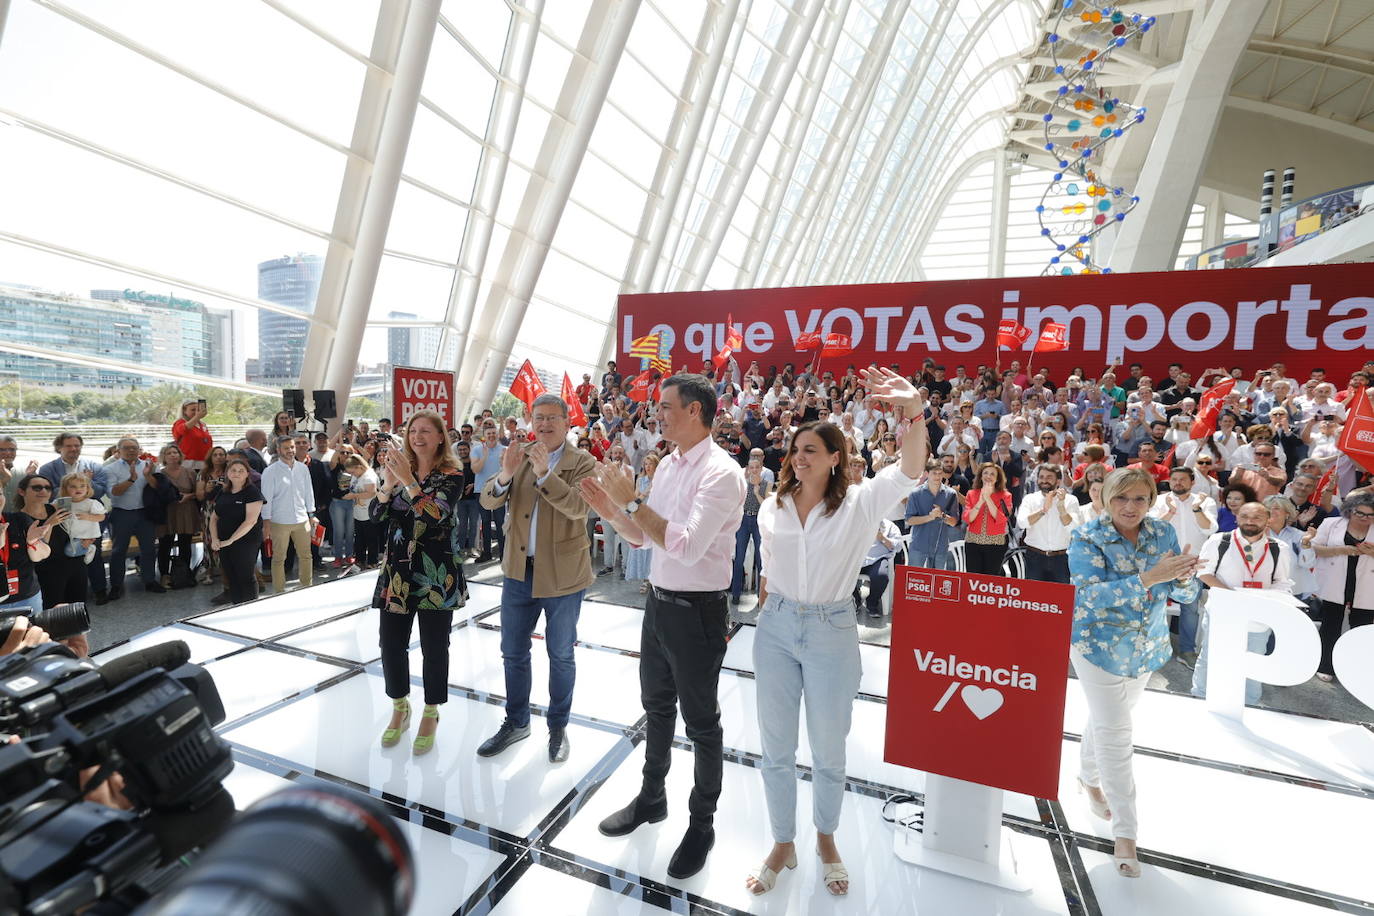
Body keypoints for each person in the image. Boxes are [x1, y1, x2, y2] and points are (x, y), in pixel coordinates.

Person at [737, 368, 925, 897]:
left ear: (836, 456)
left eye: (813, 449)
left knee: (828, 749)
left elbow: (911, 468)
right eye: (796, 449)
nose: (800, 457)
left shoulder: (861, 502)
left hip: (831, 629)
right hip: (775, 627)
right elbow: (769, 569)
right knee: (775, 747)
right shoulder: (773, 505)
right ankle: (782, 841)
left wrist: (913, 411)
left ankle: (825, 837)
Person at [579, 373, 745, 881]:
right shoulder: (671, 464)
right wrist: (611, 508)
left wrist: (631, 502)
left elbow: (689, 545)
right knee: (655, 708)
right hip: (659, 604)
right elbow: (648, 538)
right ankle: (652, 798)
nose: (658, 414)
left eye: (666, 406)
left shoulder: (722, 472)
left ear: (695, 411)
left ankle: (702, 824)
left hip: (698, 612)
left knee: (701, 725)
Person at [1068, 467, 1200, 879]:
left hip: (1147, 647)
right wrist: (1147, 578)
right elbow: (1087, 598)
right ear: (1106, 498)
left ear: (1151, 500)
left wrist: (1184, 577)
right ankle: (1126, 832)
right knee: (1116, 732)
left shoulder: (1163, 534)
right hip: (1096, 648)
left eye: (1140, 499)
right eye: (1122, 498)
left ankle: (1088, 778)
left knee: (1108, 719)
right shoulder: (1087, 536)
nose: (1130, 507)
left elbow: (1183, 595)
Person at [475, 394, 598, 764]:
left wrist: (546, 474)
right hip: (518, 572)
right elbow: (487, 501)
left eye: (551, 419)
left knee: (560, 654)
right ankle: (516, 722)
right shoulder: (521, 455)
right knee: (512, 651)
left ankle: (557, 726)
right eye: (538, 418)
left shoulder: (584, 462)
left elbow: (580, 508)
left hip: (563, 576)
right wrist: (507, 474)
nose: (543, 425)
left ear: (567, 423)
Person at [373, 409, 467, 756]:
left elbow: (436, 515)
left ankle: (431, 710)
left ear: (441, 437)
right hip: (397, 571)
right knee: (390, 644)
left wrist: (409, 481)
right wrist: (387, 484)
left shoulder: (451, 474)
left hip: (435, 575)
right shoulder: (399, 471)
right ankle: (400, 707)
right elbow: (376, 515)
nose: (418, 436)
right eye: (413, 431)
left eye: (426, 431)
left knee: (434, 646)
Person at [1192, 502, 1294, 704]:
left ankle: (1250, 704)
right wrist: (1233, 596)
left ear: (1268, 520)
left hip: (1259, 616)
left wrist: (1264, 599)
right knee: (1211, 657)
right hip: (1223, 611)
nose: (1250, 521)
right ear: (1236, 517)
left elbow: (1282, 582)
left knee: (1254, 661)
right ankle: (1199, 697)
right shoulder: (1219, 541)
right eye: (1245, 516)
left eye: (1256, 517)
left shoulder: (1278, 548)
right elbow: (1203, 573)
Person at [1149, 467, 1216, 665]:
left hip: (1192, 564)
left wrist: (1197, 509)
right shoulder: (1160, 501)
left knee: (1190, 608)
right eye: (1174, 479)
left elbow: (1210, 528)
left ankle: (1187, 651)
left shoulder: (1205, 501)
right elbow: (1151, 529)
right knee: (1156, 605)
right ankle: (1154, 648)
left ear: (1192, 482)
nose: (1177, 483)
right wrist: (1169, 511)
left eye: (1182, 479)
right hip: (1163, 562)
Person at [1309, 491, 1374, 683]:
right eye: (1359, 513)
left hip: (1367, 585)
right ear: (1349, 510)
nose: (1364, 518)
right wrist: (1341, 550)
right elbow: (1315, 547)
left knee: (1360, 629)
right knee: (1330, 625)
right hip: (1335, 581)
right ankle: (1325, 665)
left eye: (1370, 515)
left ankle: (1354, 670)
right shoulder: (1331, 524)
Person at [38, 432, 110, 603]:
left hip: (88, 521)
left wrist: (88, 484)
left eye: (77, 445)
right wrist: (68, 491)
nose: (74, 449)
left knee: (93, 557)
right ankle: (68, 594)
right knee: (68, 556)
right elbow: (47, 491)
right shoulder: (48, 468)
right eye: (69, 446)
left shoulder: (94, 465)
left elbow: (102, 489)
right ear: (59, 448)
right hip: (63, 521)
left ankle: (99, 590)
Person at [101, 438, 164, 599]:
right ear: (119, 450)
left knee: (149, 549)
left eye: (135, 448)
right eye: (127, 448)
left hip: (145, 513)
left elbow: (157, 487)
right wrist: (131, 479)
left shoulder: (148, 466)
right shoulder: (111, 469)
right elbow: (113, 492)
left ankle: (149, 581)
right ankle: (116, 585)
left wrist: (148, 476)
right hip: (122, 513)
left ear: (139, 450)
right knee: (118, 551)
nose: (131, 451)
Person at [260, 435, 318, 594]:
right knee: (279, 559)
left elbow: (308, 493)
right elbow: (266, 499)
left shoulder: (303, 468)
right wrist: (266, 524)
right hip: (279, 522)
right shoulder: (270, 472)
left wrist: (311, 514)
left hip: (302, 520)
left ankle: (307, 587)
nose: (290, 450)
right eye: (286, 448)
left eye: (292, 447)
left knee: (306, 556)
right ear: (278, 450)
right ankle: (279, 592)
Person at [1, 476, 62, 616]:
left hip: (27, 597)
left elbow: (41, 555)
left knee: (35, 635)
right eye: (37, 487)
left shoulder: (18, 520)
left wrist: (33, 542)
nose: (43, 491)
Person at [210, 459, 264, 605]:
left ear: (247, 474)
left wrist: (231, 540)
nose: (236, 474)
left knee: (245, 575)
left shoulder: (253, 492)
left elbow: (250, 521)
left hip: (246, 541)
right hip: (224, 541)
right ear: (227, 473)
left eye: (241, 471)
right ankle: (236, 606)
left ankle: (250, 608)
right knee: (231, 575)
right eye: (233, 470)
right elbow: (214, 518)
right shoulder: (223, 491)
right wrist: (215, 538)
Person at [1016, 464, 1078, 583]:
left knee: (1059, 598)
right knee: (1033, 598)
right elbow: (1022, 523)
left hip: (1061, 558)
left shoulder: (1070, 500)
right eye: (1041, 477)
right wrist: (1043, 510)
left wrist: (1061, 508)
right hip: (1034, 557)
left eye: (1049, 477)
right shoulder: (1030, 499)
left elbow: (1073, 528)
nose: (1044, 480)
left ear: (1058, 481)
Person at [730, 455, 773, 605]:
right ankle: (736, 594)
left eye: (757, 467)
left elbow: (766, 505)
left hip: (758, 521)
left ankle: (761, 596)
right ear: (748, 469)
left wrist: (756, 492)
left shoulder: (766, 484)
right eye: (752, 467)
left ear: (761, 469)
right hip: (743, 520)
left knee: (761, 559)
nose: (754, 470)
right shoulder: (742, 483)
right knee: (739, 557)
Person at [156, 445, 200, 589]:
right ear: (164, 457)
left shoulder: (189, 472)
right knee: (165, 544)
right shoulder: (160, 474)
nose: (173, 455)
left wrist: (188, 496)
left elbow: (198, 493)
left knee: (185, 544)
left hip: (187, 510)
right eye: (169, 453)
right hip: (168, 511)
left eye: (175, 452)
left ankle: (184, 574)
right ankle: (165, 575)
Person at [905, 459, 960, 569]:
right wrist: (930, 517)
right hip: (919, 546)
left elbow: (954, 522)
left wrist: (942, 515)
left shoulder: (951, 494)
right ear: (926, 473)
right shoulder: (915, 493)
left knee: (936, 584)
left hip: (940, 547)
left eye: (940, 473)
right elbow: (909, 520)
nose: (937, 476)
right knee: (915, 581)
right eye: (934, 473)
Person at [961, 463, 1013, 575]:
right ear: (980, 476)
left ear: (997, 478)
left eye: (992, 474)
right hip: (973, 543)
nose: (988, 476)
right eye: (985, 473)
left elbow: (1001, 519)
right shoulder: (971, 493)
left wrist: (988, 498)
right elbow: (968, 518)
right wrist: (980, 500)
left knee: (991, 578)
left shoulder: (1006, 495)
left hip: (995, 544)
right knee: (973, 577)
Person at [470, 425, 507, 562]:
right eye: (489, 433)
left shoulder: (504, 450)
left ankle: (503, 554)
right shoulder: (477, 450)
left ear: (497, 434)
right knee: (485, 522)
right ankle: (487, 553)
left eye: (494, 433)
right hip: (481, 490)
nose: (491, 435)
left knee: (500, 523)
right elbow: (476, 470)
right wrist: (484, 456)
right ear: (484, 435)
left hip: (499, 490)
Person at [624, 453, 659, 593]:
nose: (647, 466)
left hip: (655, 515)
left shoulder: (661, 480)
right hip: (641, 514)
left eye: (650, 464)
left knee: (654, 549)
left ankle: (652, 579)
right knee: (643, 545)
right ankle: (645, 578)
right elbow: (636, 496)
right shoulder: (640, 479)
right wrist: (643, 494)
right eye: (645, 464)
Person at [344, 456, 379, 569]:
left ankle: (372, 561)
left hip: (370, 512)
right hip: (359, 512)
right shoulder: (357, 475)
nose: (353, 475)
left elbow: (371, 493)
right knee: (360, 538)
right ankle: (360, 559)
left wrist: (354, 495)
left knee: (371, 538)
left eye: (353, 472)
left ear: (359, 467)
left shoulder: (369, 476)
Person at [454, 441, 480, 558]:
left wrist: (473, 485)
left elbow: (481, 477)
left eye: (465, 449)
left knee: (474, 524)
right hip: (460, 500)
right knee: (462, 525)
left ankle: (472, 548)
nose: (462, 451)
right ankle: (461, 548)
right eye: (460, 450)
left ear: (469, 449)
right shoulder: (456, 465)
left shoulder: (474, 463)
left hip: (474, 499)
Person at [171, 399, 213, 471]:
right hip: (188, 463)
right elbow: (183, 429)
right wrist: (197, 417)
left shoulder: (202, 424)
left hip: (204, 462)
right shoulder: (180, 423)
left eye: (198, 409)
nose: (196, 412)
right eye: (193, 410)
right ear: (184, 411)